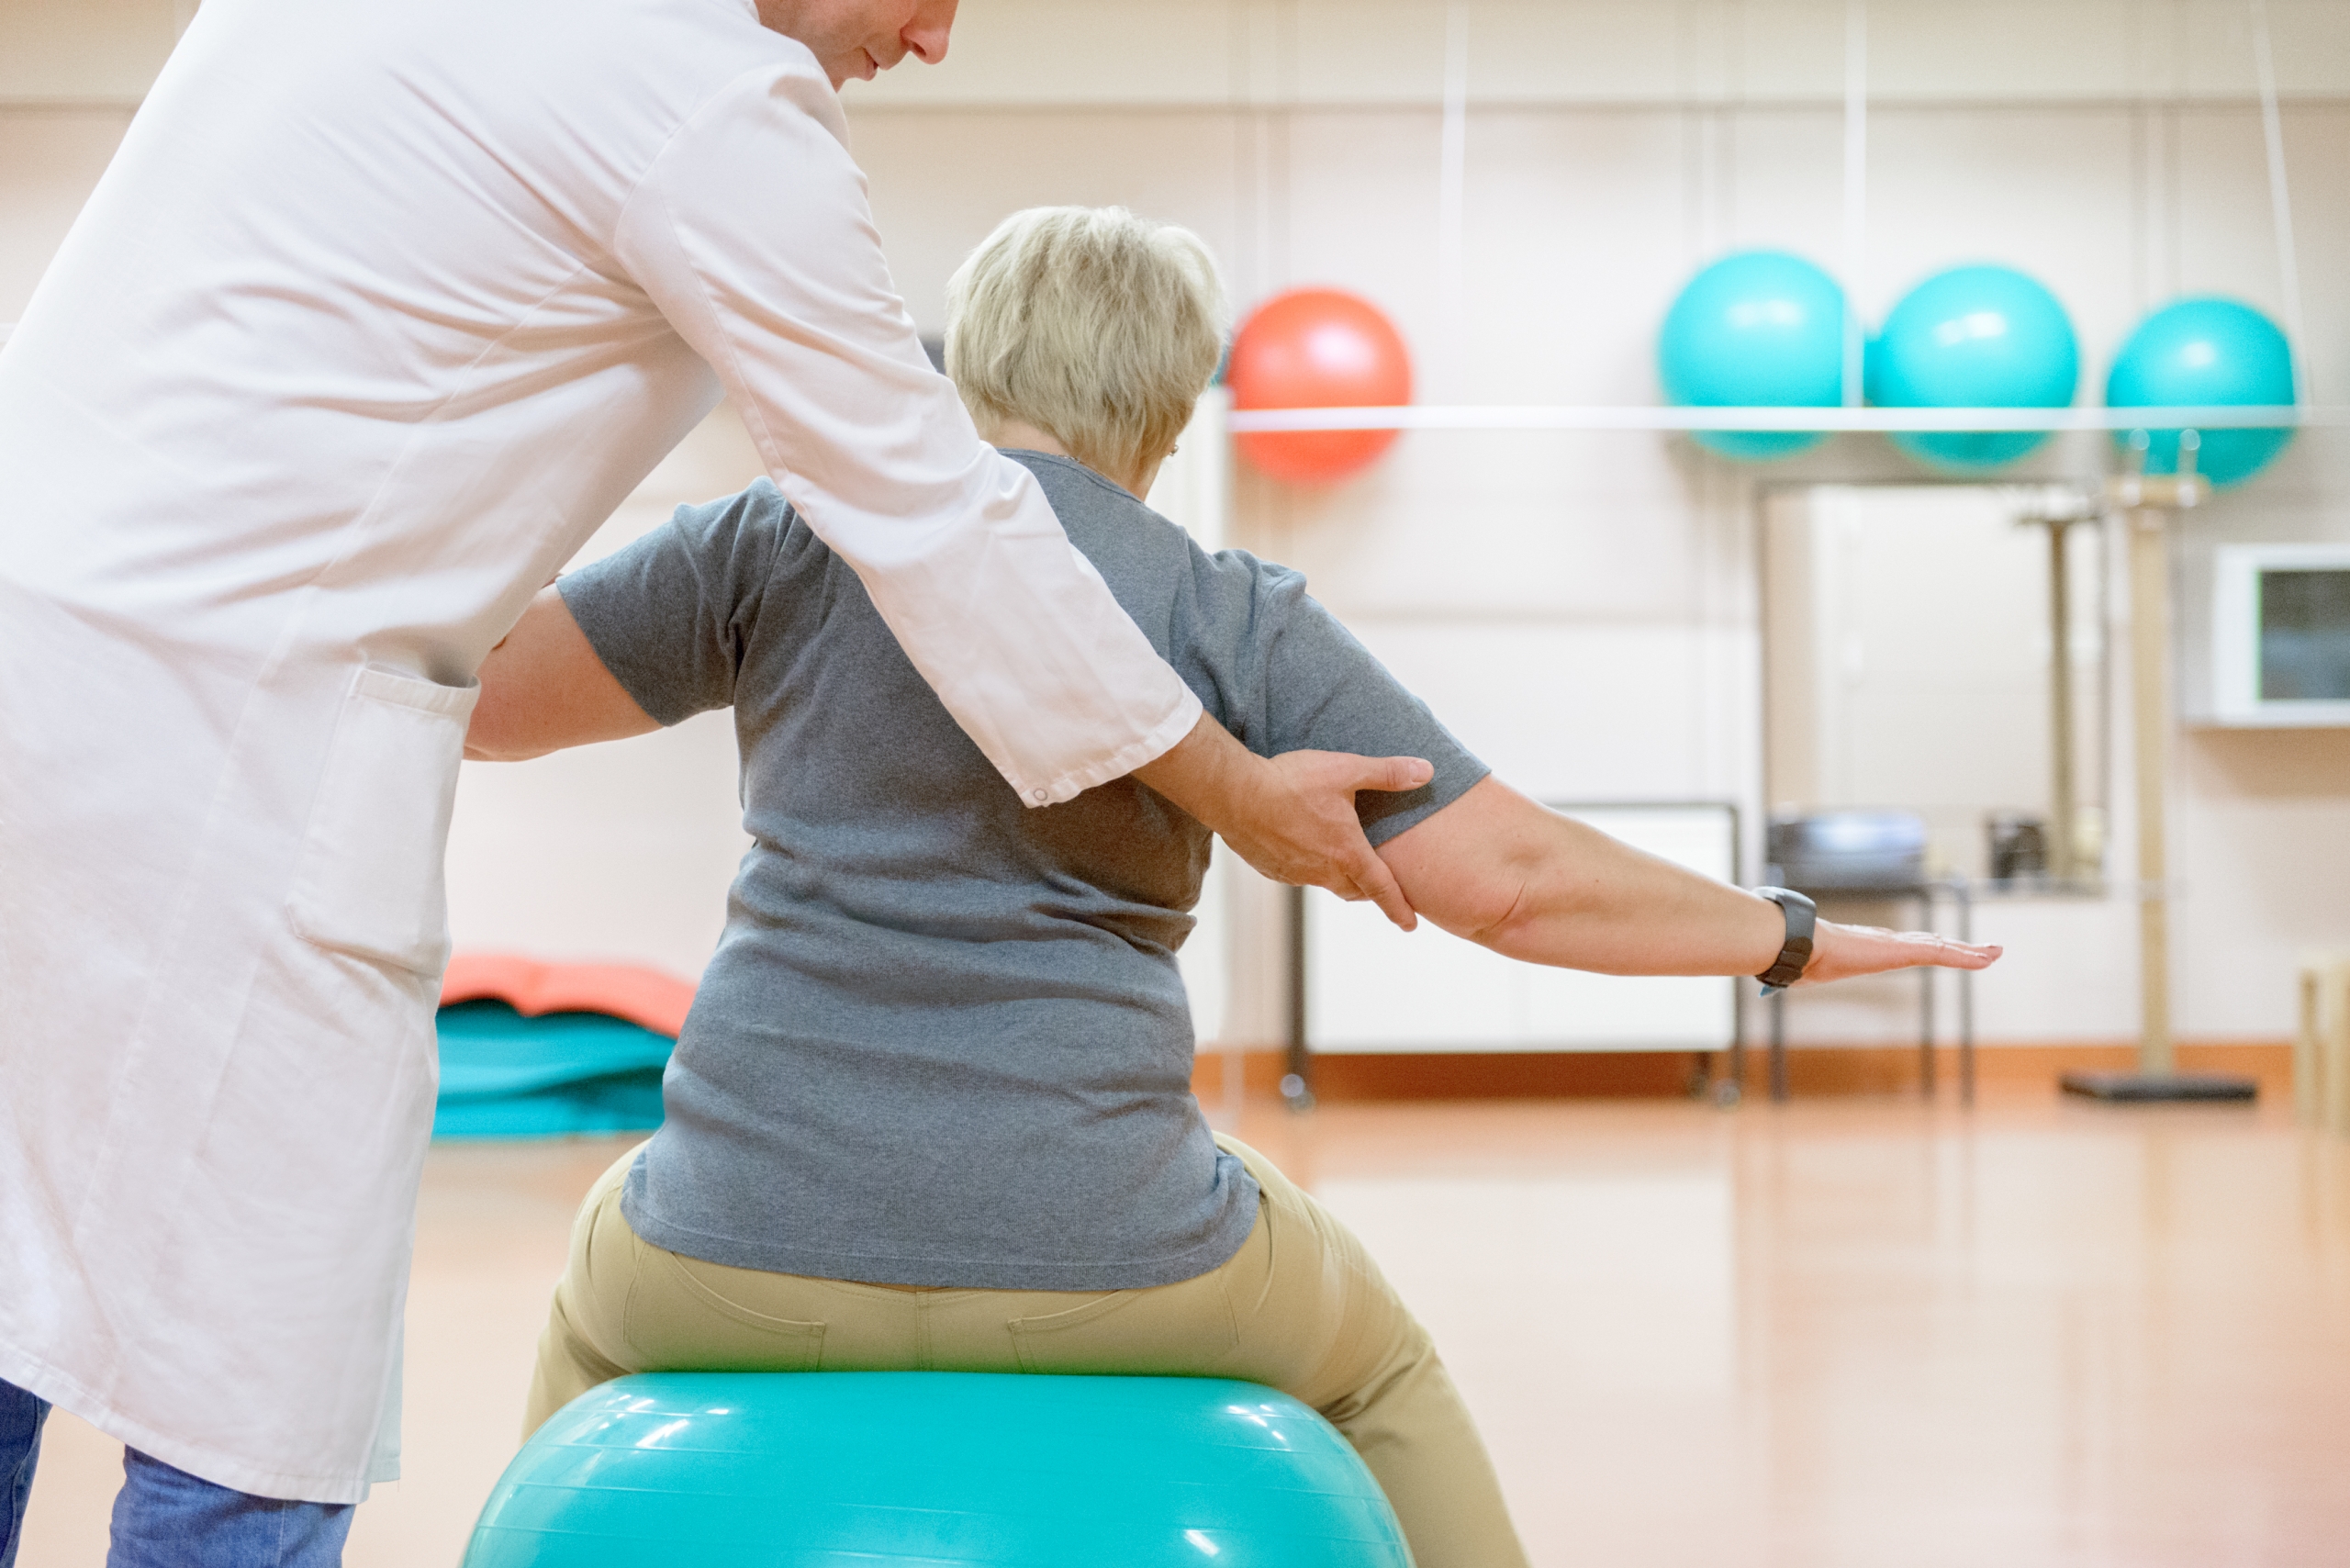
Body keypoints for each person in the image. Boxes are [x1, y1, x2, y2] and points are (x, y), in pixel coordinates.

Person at [0, 3, 1424, 1562]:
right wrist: (1239, 791)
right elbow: (937, 520)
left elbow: (528, 677)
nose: (937, 38)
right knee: (248, 1383)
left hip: (60, 664)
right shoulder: (711, 110)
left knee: (15, 1275)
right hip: (226, 749)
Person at [464, 206, 2002, 1568]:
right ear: (1176, 410)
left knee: (601, 1285)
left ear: (969, 369)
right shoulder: (1225, 611)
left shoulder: (777, 537)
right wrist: (1792, 938)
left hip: (733, 1244)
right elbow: (1518, 887)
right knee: (1379, 1354)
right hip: (1116, 1254)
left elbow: (480, 696)